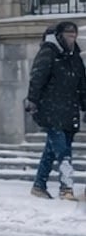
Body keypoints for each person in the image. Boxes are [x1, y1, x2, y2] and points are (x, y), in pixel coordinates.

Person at [25, 20, 86, 200]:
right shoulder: (48, 52)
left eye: (74, 35)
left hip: (69, 110)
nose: (72, 38)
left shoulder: (75, 57)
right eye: (68, 35)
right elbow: (37, 78)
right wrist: (32, 101)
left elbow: (82, 84)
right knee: (63, 151)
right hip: (50, 111)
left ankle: (39, 185)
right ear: (59, 36)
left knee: (52, 150)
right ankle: (66, 188)